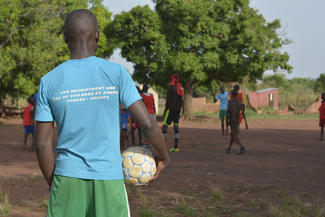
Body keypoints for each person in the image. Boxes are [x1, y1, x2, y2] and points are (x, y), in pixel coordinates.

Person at [35, 9, 169, 217]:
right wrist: (163, 156)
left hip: (66, 178)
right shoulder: (116, 73)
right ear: (97, 34)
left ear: (64, 37)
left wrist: (55, 183)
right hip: (108, 178)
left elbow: (43, 144)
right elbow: (148, 125)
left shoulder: (49, 81)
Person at [162, 74, 183, 152]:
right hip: (177, 110)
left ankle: (163, 147)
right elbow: (181, 101)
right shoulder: (181, 88)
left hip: (170, 109)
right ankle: (176, 147)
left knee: (164, 126)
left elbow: (168, 100)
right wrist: (180, 109)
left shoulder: (170, 87)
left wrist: (165, 110)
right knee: (176, 126)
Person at [226, 90, 247, 155]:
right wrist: (246, 122)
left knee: (235, 136)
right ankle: (229, 148)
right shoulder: (240, 103)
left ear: (231, 95)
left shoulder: (230, 102)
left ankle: (242, 147)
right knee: (233, 135)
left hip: (232, 121)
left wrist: (227, 122)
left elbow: (228, 113)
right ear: (237, 95)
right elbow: (243, 113)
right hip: (237, 121)